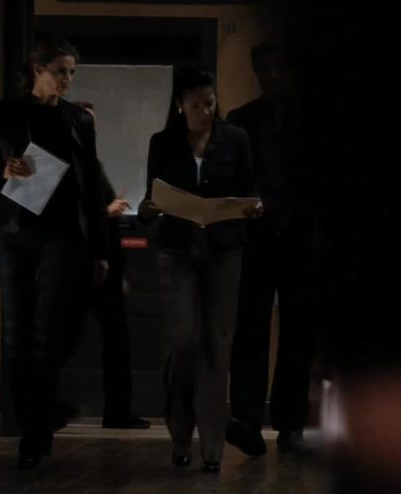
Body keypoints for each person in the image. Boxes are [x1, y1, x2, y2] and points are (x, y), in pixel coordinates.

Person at [0, 36, 109, 470]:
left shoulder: (78, 120)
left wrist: (100, 248)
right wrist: (2, 169)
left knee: (47, 332)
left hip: (62, 233)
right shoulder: (6, 112)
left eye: (71, 72)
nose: (67, 80)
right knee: (16, 334)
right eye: (59, 71)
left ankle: (37, 434)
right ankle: (33, 422)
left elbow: (91, 184)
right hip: (15, 229)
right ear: (37, 70)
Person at [137, 68, 261, 473]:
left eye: (210, 103)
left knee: (216, 346)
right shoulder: (163, 142)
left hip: (223, 251)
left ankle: (212, 448)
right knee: (183, 342)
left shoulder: (235, 138)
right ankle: (179, 432)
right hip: (177, 250)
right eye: (196, 105)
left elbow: (248, 189)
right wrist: (150, 208)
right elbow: (150, 199)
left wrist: (253, 207)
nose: (205, 112)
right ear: (180, 106)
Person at [225, 39, 320, 456]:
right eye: (264, 70)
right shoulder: (243, 119)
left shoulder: (313, 118)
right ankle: (247, 418)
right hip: (257, 238)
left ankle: (290, 423)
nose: (272, 77)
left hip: (303, 238)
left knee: (299, 332)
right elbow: (233, 176)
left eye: (279, 68)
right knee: (250, 330)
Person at [72, 101, 149, 430]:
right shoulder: (71, 164)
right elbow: (71, 214)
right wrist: (107, 210)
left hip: (105, 263)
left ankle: (118, 410)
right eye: (87, 123)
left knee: (117, 339)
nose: (95, 130)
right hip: (84, 262)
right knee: (90, 337)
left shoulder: (91, 164)